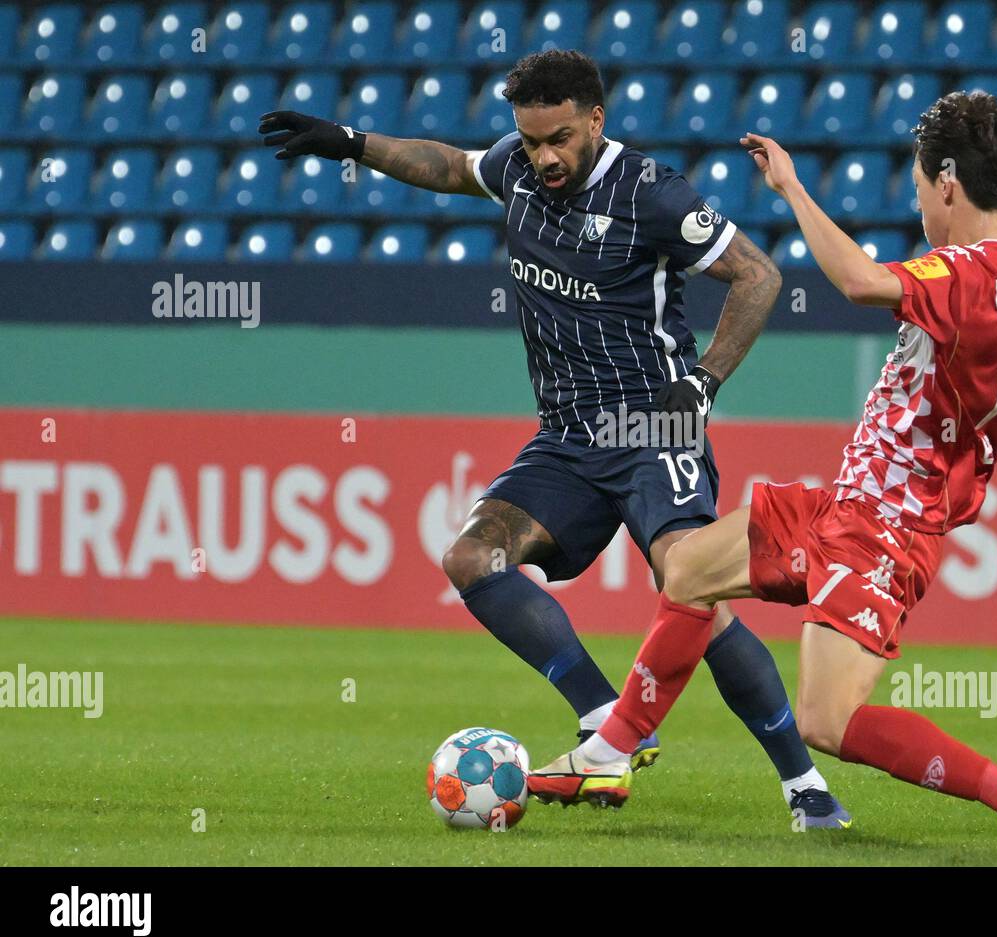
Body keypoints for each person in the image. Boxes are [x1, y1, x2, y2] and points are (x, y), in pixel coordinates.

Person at [529, 91, 997, 855]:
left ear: (947, 183)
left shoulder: (961, 272)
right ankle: (607, 754)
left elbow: (858, 281)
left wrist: (791, 187)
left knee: (828, 721)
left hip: (884, 534)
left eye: (920, 187)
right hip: (845, 509)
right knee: (687, 569)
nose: (920, 201)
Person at [258, 49, 848, 827]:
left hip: (651, 427)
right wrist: (352, 142)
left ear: (595, 120)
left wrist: (703, 382)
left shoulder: (651, 194)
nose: (544, 158)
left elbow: (759, 276)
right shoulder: (520, 170)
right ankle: (604, 717)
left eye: (560, 139)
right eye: (531, 141)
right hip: (568, 437)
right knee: (471, 556)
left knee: (691, 586)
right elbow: (449, 166)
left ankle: (805, 788)